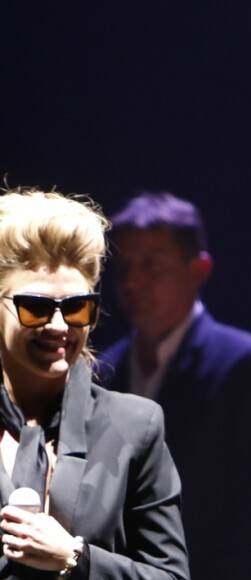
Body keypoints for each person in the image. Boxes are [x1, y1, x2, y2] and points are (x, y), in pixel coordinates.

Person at [97, 192, 251, 580]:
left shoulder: (249, 366)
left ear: (199, 270)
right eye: (124, 267)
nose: (133, 281)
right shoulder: (103, 369)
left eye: (152, 265)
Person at [0, 188, 189, 579]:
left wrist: (74, 558)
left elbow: (170, 576)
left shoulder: (134, 425)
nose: (58, 326)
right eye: (35, 308)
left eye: (76, 308)